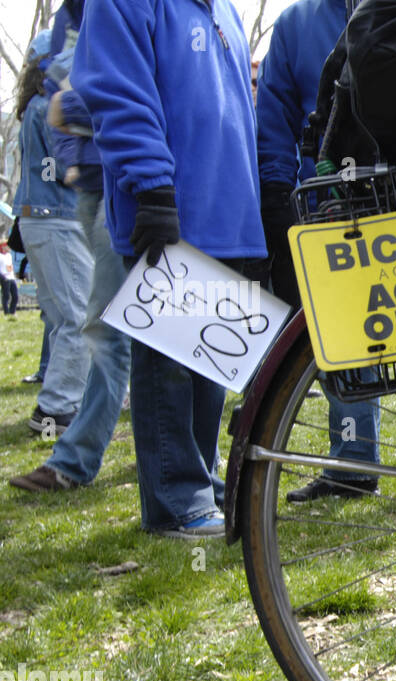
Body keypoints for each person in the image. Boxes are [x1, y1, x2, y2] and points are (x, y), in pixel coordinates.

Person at [74, 0, 265, 539]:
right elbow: (116, 87)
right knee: (169, 364)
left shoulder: (223, 9)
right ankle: (174, 501)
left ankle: (199, 482)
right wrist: (151, 183)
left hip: (227, 214)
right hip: (170, 209)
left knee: (210, 365)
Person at [256, 0, 396, 507]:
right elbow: (275, 117)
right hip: (328, 204)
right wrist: (278, 197)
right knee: (341, 340)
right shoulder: (297, 24)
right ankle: (352, 464)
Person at [10, 35, 132, 493]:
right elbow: (53, 158)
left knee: (80, 321)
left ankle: (67, 414)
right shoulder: (47, 103)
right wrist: (81, 170)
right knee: (87, 322)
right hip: (70, 209)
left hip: (69, 212)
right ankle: (60, 418)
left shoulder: (38, 107)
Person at [16, 30, 93, 436]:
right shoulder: (48, 107)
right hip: (56, 220)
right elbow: (64, 171)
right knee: (76, 318)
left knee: (67, 316)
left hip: (42, 220)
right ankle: (56, 410)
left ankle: (66, 403)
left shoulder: (32, 107)